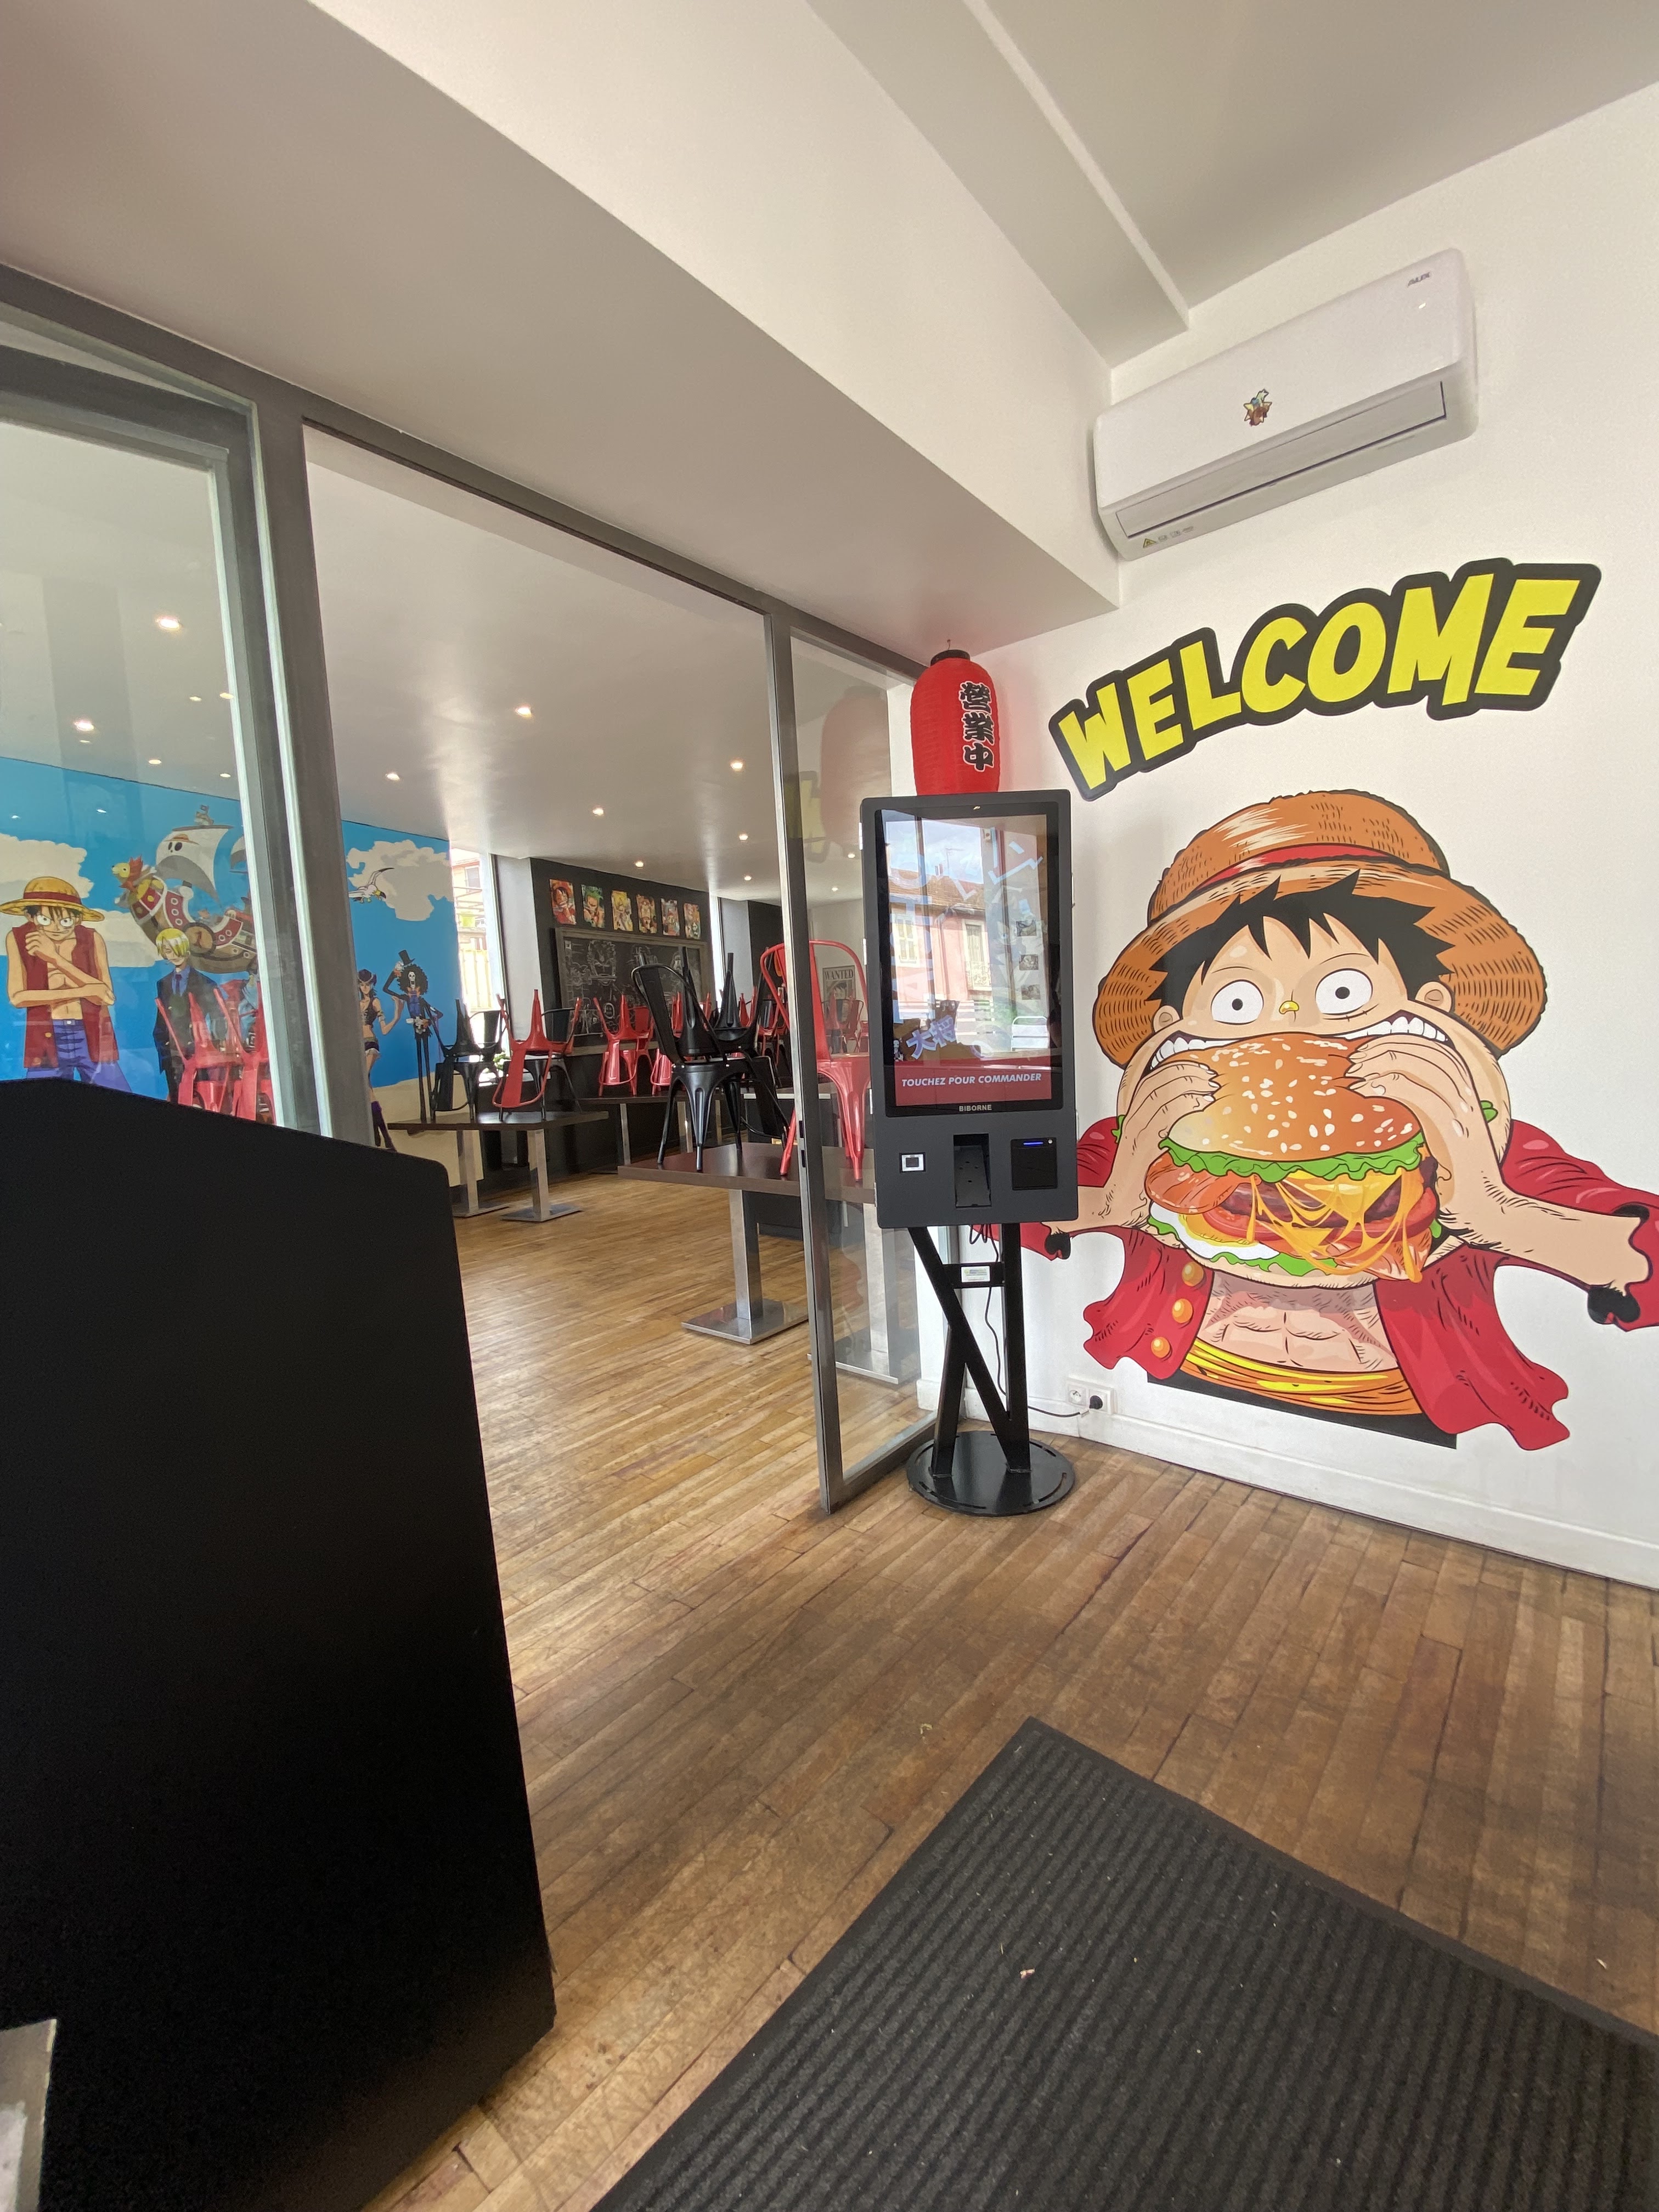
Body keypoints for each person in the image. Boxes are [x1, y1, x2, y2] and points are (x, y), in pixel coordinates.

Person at [1034, 791, 1656, 1449]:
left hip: (1420, 1399)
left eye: (1343, 992)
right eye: (1238, 1002)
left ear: (1429, 1006)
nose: (1289, 1029)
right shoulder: (1147, 1136)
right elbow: (994, 1209)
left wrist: (1492, 1208)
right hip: (1169, 1368)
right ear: (1173, 1024)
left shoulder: (1474, 1139)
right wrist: (1118, 1196)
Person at [3, 874, 130, 1089]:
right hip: (47, 1036)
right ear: (30, 916)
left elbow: (107, 996)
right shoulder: (17, 938)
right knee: (42, 1102)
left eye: (66, 921)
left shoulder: (91, 939)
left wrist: (55, 959)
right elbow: (18, 997)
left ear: (77, 919)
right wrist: (83, 991)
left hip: (91, 1034)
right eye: (46, 920)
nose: (56, 928)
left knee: (119, 1098)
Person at [151, 927, 228, 1103]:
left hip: (198, 1052)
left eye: (175, 949)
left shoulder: (205, 983)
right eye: (168, 951)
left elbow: (217, 1017)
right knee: (177, 1098)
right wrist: (163, 1046)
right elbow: (161, 1020)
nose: (173, 955)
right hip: (172, 1053)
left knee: (199, 1099)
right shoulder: (163, 983)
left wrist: (216, 1044)